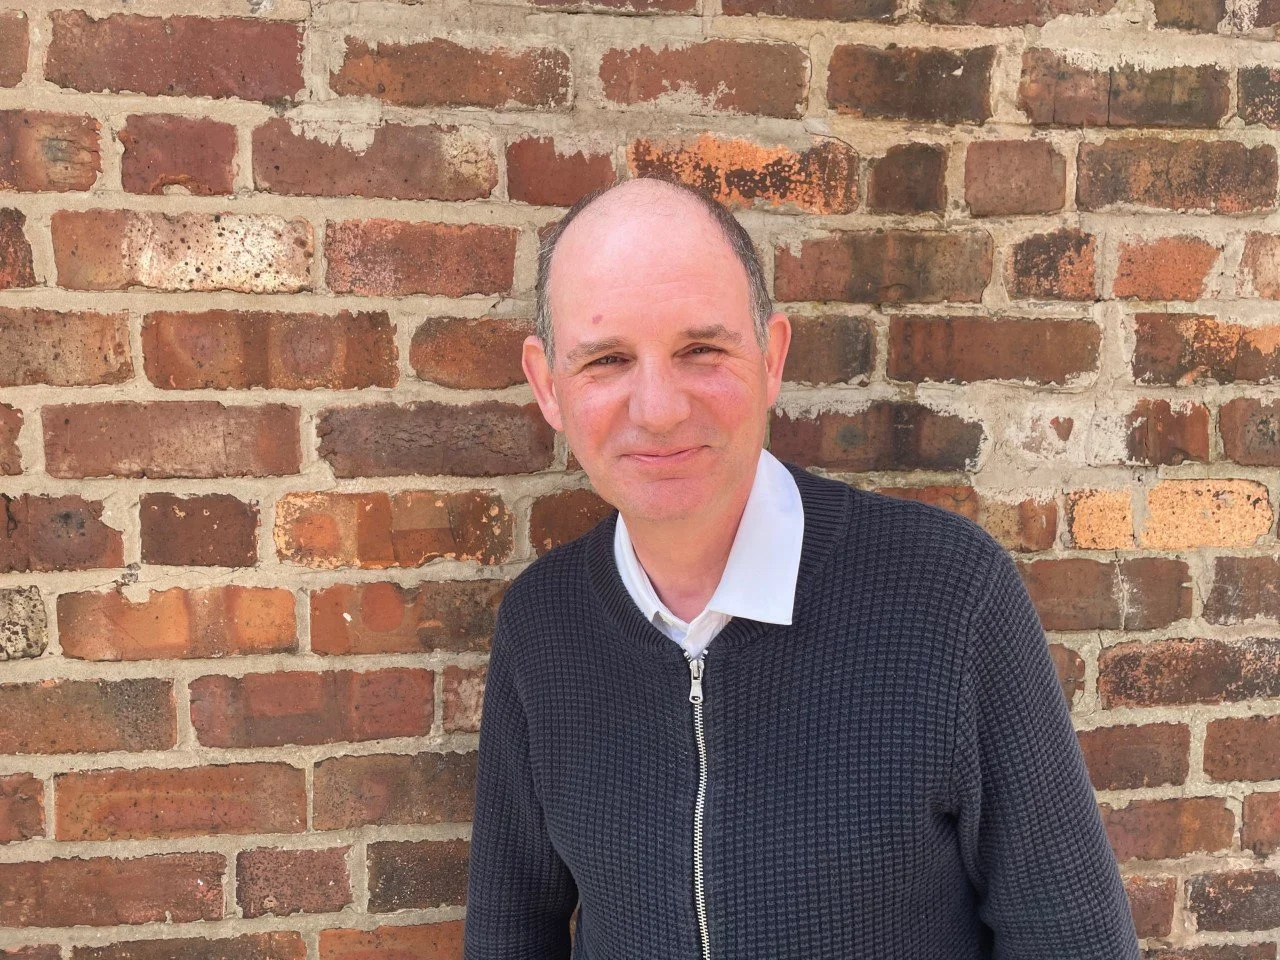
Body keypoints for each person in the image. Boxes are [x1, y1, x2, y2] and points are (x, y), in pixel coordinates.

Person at [462, 176, 1140, 959]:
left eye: (701, 350)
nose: (659, 408)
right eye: (607, 360)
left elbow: (1072, 938)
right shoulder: (542, 625)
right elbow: (510, 934)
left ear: (771, 356)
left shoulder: (950, 596)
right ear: (548, 386)